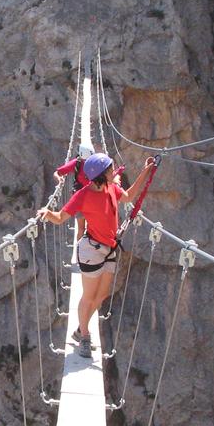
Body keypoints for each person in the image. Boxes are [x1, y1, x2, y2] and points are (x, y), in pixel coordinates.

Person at [37, 153, 156, 358]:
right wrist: (47, 214)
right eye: (110, 169)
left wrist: (147, 171)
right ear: (101, 175)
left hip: (110, 248)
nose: (114, 171)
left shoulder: (111, 187)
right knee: (89, 297)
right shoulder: (82, 195)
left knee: (101, 296)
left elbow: (128, 196)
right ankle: (84, 336)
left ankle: (79, 328)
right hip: (91, 251)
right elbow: (60, 218)